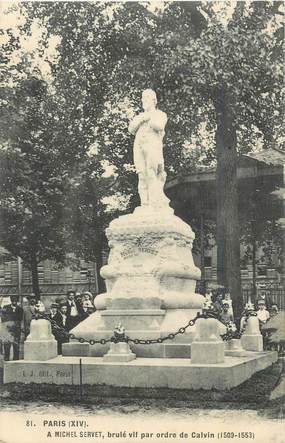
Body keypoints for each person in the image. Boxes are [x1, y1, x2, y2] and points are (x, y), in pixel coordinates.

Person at [128, 89, 169, 208]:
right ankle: (144, 203)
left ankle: (154, 202)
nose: (143, 101)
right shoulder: (140, 116)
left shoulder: (160, 114)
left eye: (146, 98)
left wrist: (149, 119)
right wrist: (142, 119)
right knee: (141, 174)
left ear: (154, 100)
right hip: (139, 146)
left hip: (152, 145)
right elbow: (131, 129)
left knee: (151, 172)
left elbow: (159, 125)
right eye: (143, 98)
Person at [1, 295, 23, 361]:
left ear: (17, 301)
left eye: (15, 300)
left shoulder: (20, 309)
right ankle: (6, 359)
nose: (14, 301)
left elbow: (20, 319)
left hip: (16, 331)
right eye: (13, 300)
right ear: (11, 300)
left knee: (16, 345)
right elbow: (3, 318)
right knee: (7, 345)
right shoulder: (5, 308)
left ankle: (16, 360)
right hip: (7, 330)